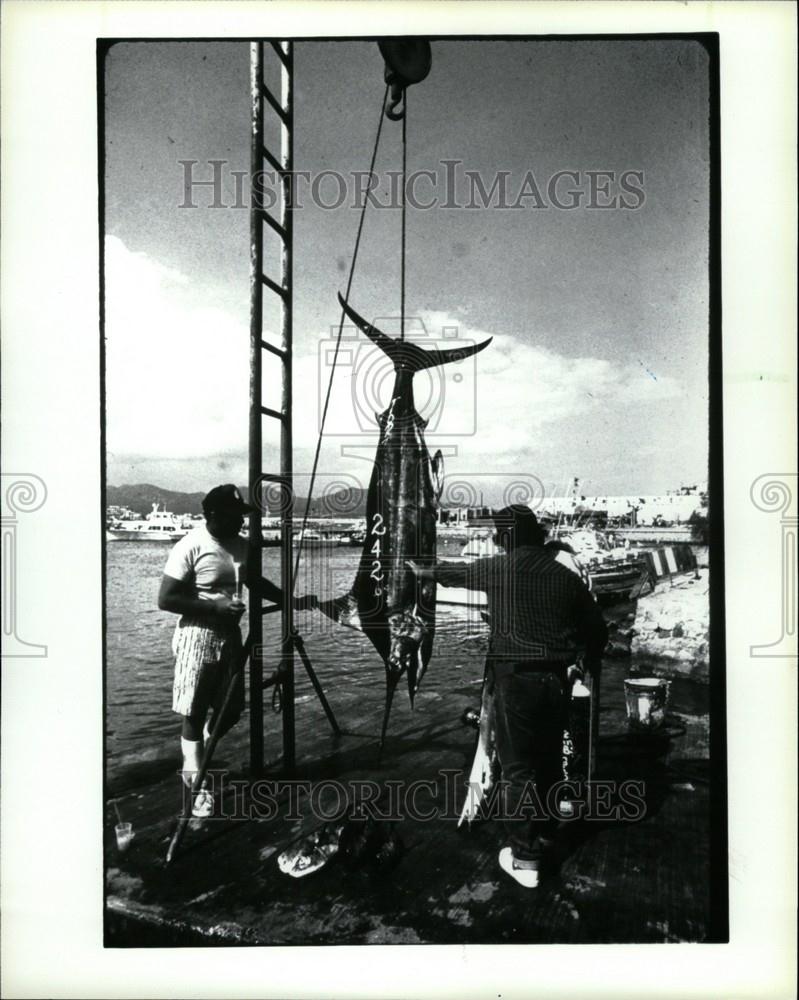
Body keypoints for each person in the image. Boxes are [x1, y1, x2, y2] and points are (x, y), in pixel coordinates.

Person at [408, 504, 607, 889]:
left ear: (504, 539)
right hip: (557, 683)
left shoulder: (499, 569)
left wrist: (414, 568)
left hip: (516, 683)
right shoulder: (565, 578)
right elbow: (598, 633)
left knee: (518, 771)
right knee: (548, 763)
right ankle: (545, 834)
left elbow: (449, 573)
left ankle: (525, 857)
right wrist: (580, 662)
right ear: (538, 536)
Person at [158, 484, 301, 816]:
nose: (239, 522)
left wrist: (289, 601)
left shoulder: (242, 546)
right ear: (212, 515)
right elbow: (166, 599)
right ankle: (195, 784)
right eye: (233, 516)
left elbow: (254, 581)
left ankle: (201, 749)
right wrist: (214, 608)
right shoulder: (190, 546)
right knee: (193, 711)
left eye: (241, 516)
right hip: (197, 634)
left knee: (232, 708)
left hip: (230, 636)